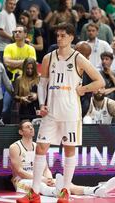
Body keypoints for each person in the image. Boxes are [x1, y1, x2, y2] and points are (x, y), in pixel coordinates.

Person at [16, 22, 105, 203]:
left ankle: (65, 190)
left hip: (71, 111)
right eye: (57, 35)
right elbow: (42, 84)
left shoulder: (78, 58)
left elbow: (100, 81)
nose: (59, 38)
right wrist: (42, 104)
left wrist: (84, 89)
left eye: (63, 35)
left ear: (71, 37)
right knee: (41, 147)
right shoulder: (49, 57)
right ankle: (34, 193)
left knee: (69, 150)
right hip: (51, 111)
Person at [10, 120, 115, 198]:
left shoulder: (38, 146)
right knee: (41, 186)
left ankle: (95, 190)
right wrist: (42, 180)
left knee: (68, 184)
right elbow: (19, 171)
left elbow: (45, 168)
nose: (31, 128)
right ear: (20, 132)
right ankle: (57, 191)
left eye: (31, 126)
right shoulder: (15, 147)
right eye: (27, 127)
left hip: (40, 179)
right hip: (20, 182)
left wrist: (49, 179)